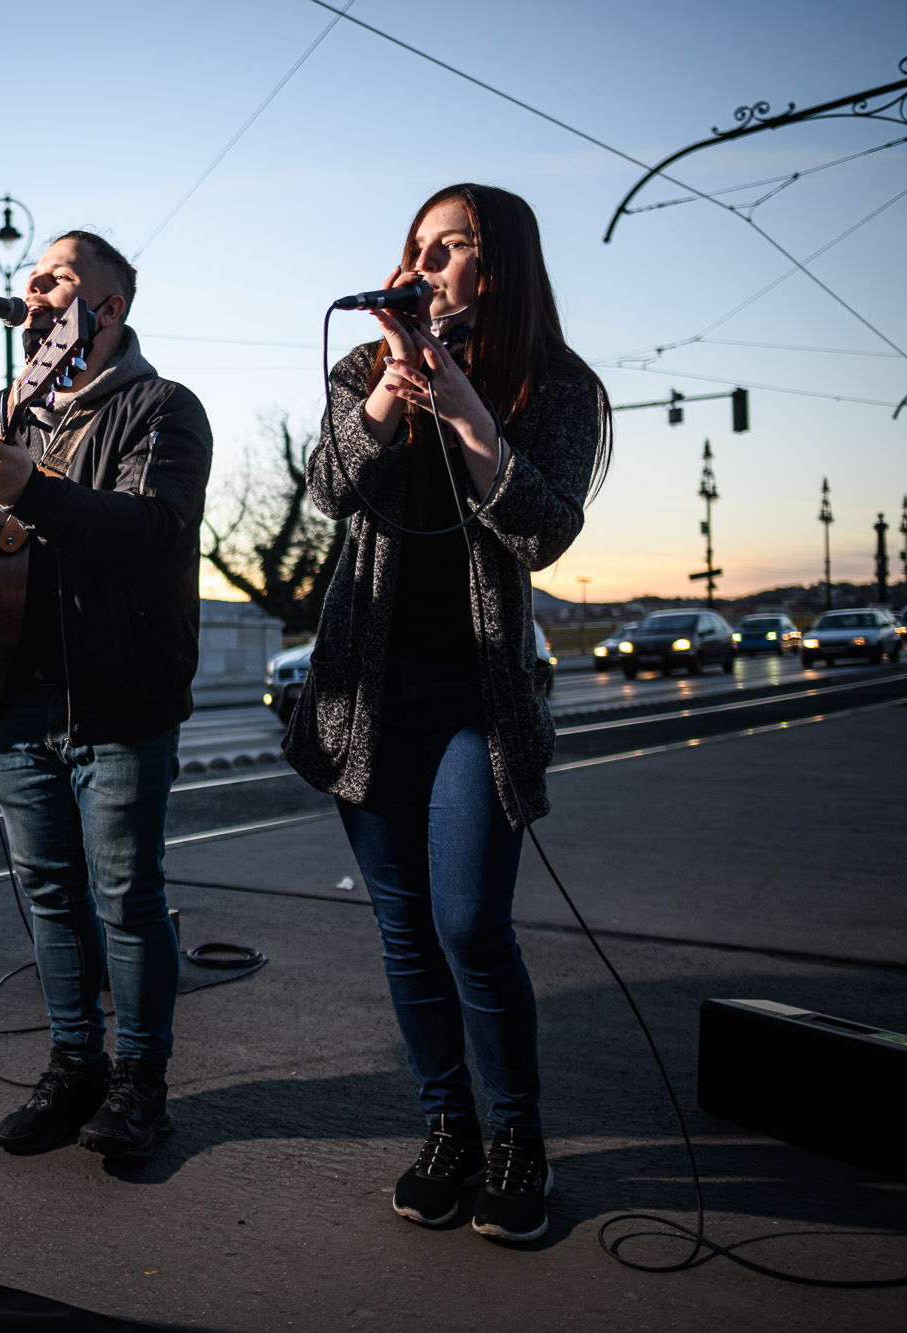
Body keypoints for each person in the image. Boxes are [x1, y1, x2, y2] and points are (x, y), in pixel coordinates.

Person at [285, 184, 610, 1242]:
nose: (422, 266)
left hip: (478, 696)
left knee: (468, 921)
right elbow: (330, 487)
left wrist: (460, 398)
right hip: (367, 693)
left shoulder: (555, 387)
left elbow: (540, 530)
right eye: (414, 248)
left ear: (498, 266)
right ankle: (447, 1126)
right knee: (403, 931)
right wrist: (390, 388)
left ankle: (516, 1136)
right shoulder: (359, 371)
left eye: (449, 248)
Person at [0, 231, 212, 1160]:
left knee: (127, 897)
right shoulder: (5, 406)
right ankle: (74, 1064)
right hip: (10, 695)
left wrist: (36, 491)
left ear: (107, 308)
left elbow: (150, 528)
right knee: (49, 896)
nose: (34, 289)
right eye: (31, 277)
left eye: (58, 277)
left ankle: (140, 1084)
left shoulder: (165, 407)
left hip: (117, 699)